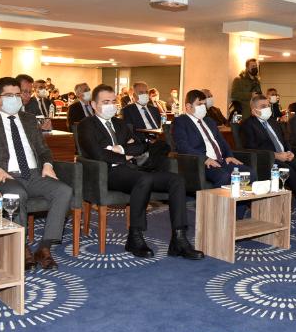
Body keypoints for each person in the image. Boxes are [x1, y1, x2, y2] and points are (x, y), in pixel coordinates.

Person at [78, 84, 203, 259]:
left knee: (177, 180)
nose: (111, 105)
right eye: (105, 102)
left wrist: (120, 149)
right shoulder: (86, 125)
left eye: (113, 101)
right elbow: (98, 154)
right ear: (93, 104)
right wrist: (125, 155)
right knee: (144, 179)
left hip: (134, 169)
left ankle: (179, 239)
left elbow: (140, 146)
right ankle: (134, 237)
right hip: (107, 174)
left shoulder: (120, 123)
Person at [0, 76, 72, 270]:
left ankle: (44, 247)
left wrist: (47, 164)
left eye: (17, 95)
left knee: (64, 191)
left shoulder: (29, 120)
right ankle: (21, 247)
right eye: (9, 96)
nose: (15, 99)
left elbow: (43, 150)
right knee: (17, 194)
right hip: (6, 175)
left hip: (33, 174)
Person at [242, 94, 296, 220]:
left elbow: (285, 140)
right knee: (288, 171)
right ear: (254, 110)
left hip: (285, 156)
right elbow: (251, 149)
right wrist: (276, 155)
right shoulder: (247, 125)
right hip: (267, 160)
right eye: (263, 106)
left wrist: (289, 151)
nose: (267, 108)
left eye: (268, 105)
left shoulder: (273, 122)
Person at [173, 89, 255, 188]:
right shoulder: (181, 122)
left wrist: (229, 156)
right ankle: (216, 199)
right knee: (224, 176)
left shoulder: (209, 121)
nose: (203, 107)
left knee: (249, 173)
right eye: (199, 104)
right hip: (202, 163)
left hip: (221, 160)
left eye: (204, 104)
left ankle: (239, 198)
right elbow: (182, 146)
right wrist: (205, 159)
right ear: (188, 106)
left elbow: (222, 142)